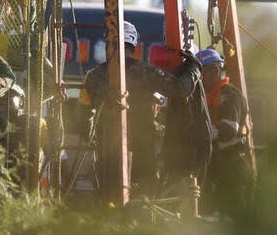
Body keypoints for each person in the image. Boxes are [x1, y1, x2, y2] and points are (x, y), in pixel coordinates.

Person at [78, 21, 204, 197]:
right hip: (143, 150)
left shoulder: (93, 76)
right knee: (145, 198)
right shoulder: (146, 72)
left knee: (109, 199)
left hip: (108, 150)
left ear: (108, 43)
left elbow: (83, 118)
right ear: (133, 44)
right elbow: (181, 89)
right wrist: (195, 68)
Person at [196, 48, 253, 215]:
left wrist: (199, 135)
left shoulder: (228, 94)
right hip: (219, 167)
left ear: (214, 71)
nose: (199, 79)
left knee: (231, 219)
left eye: (201, 74)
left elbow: (229, 128)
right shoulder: (209, 96)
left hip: (233, 167)